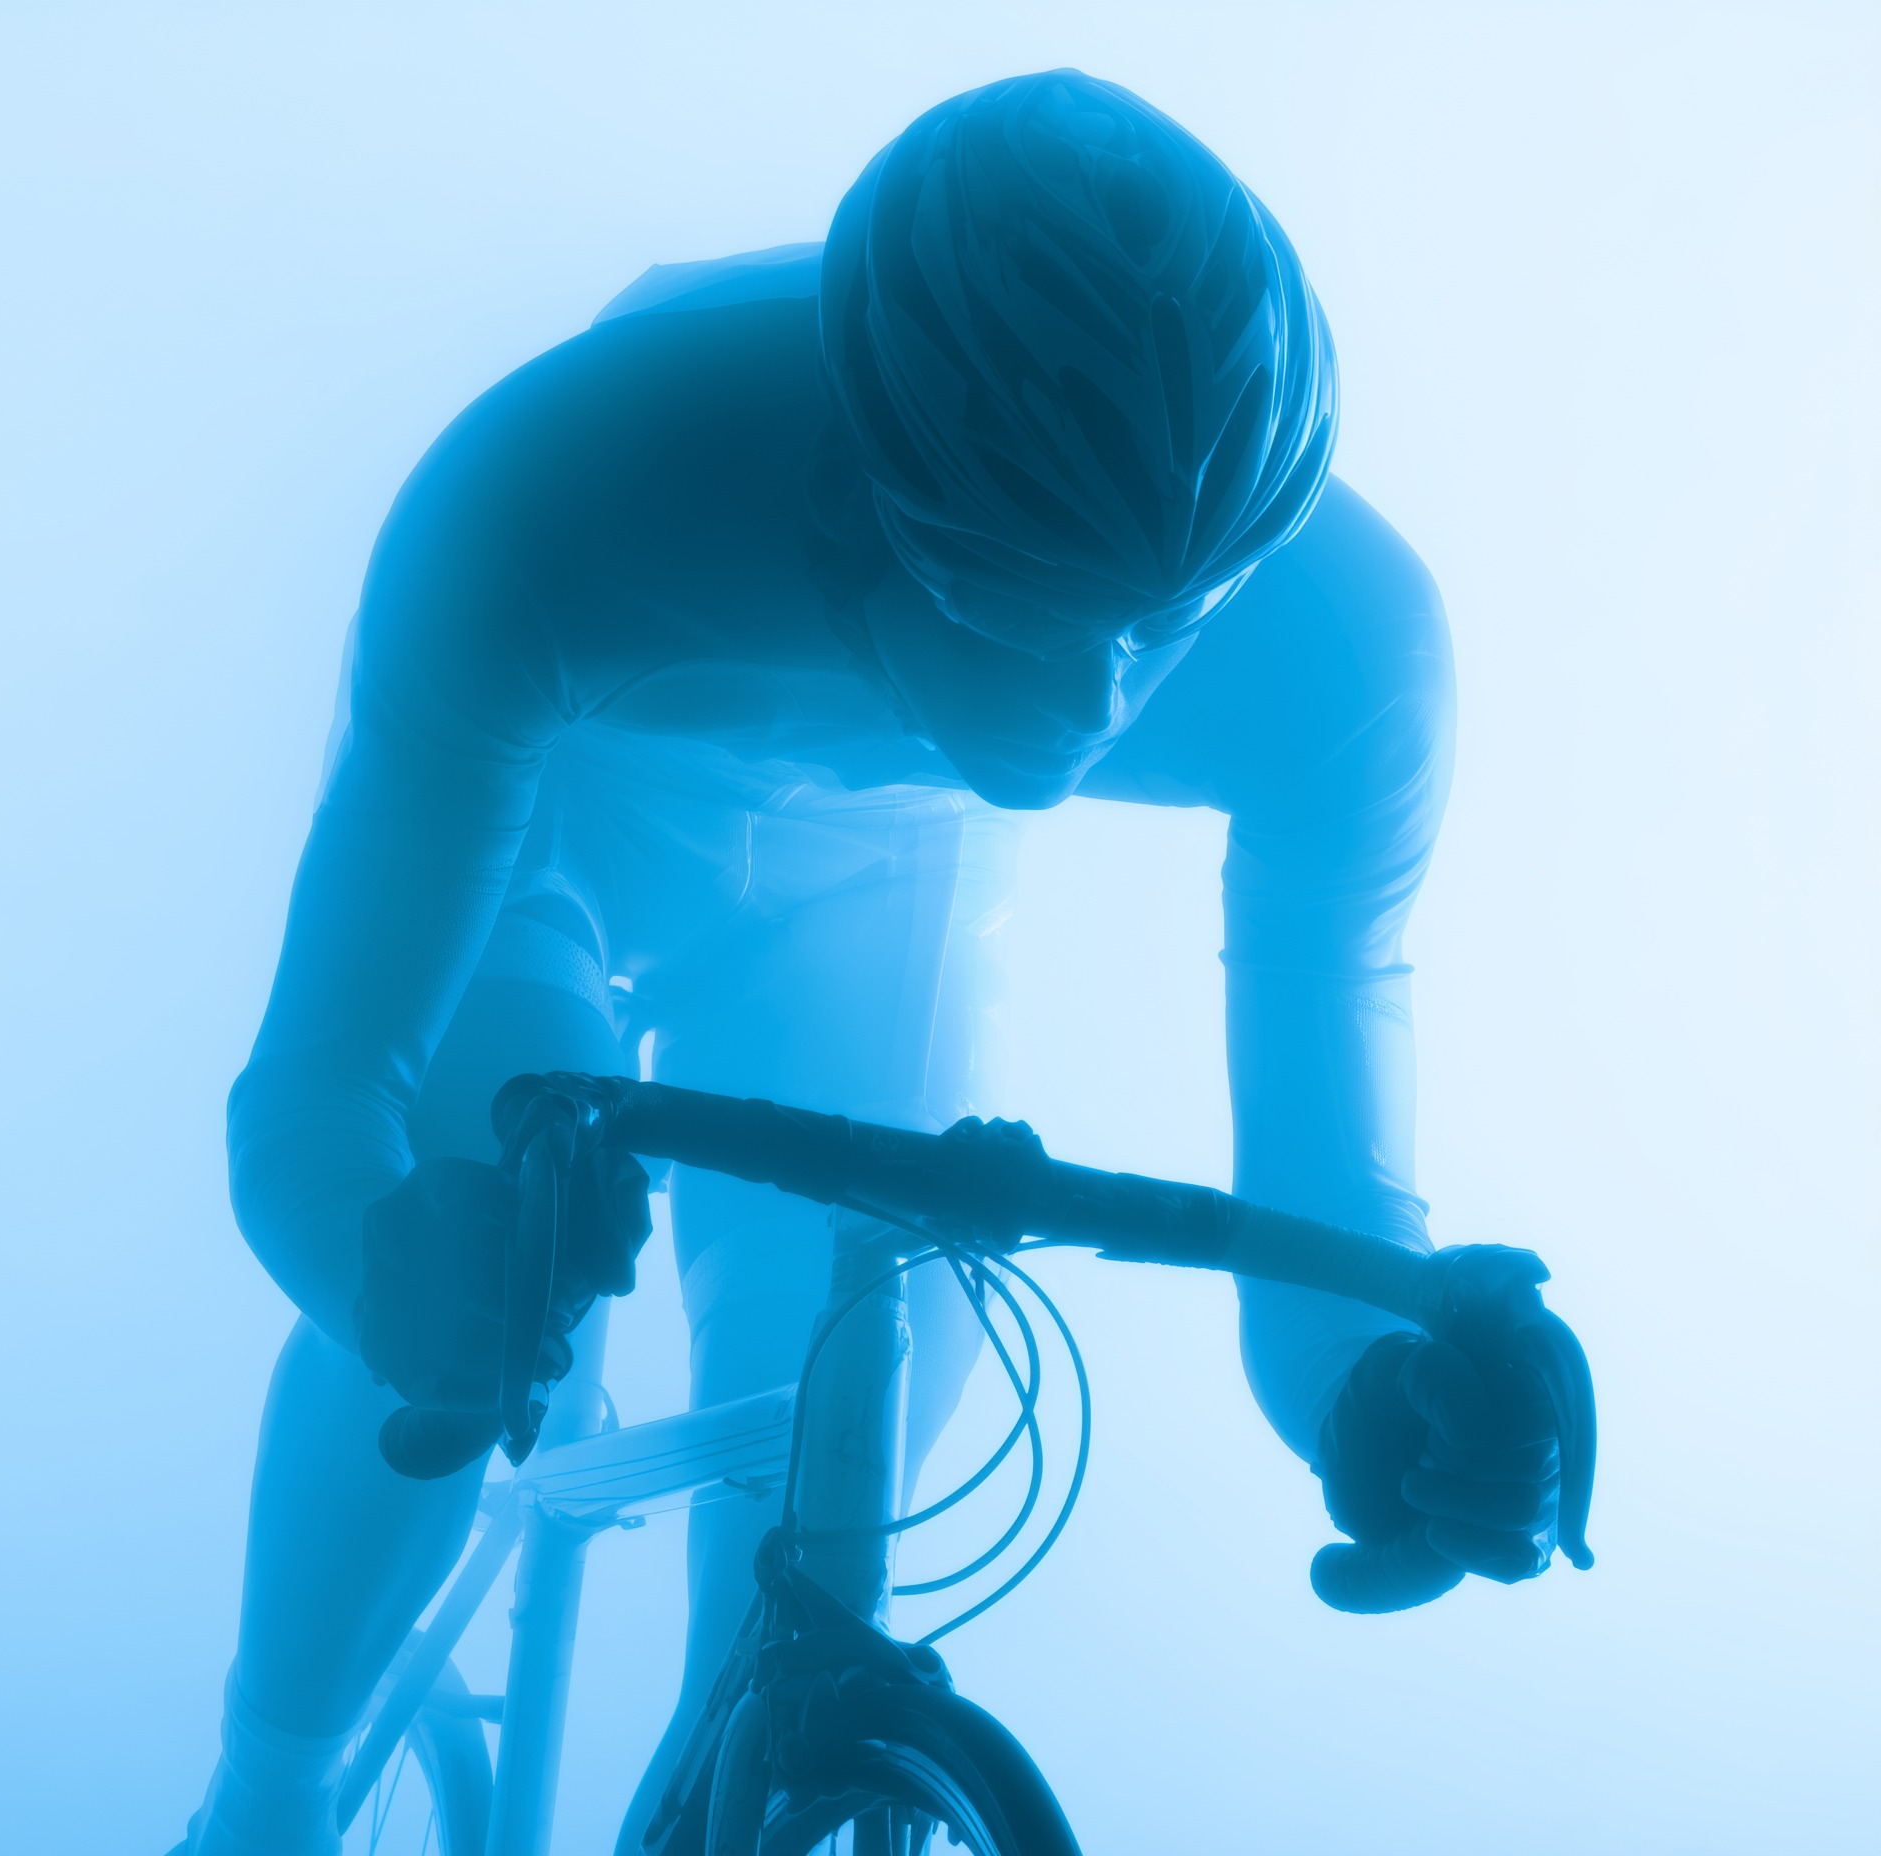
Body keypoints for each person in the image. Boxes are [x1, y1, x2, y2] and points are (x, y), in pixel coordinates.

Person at [178, 70, 1571, 1856]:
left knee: (822, 1459)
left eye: (1163, 635)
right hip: (558, 840)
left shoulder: (1350, 647)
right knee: (471, 1269)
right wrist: (390, 1267)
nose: (1091, 712)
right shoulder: (556, 491)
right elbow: (315, 1093)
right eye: (1019, 611)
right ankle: (271, 1786)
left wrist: (1383, 1396)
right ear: (847, 486)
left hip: (864, 887)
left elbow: (1327, 1198)